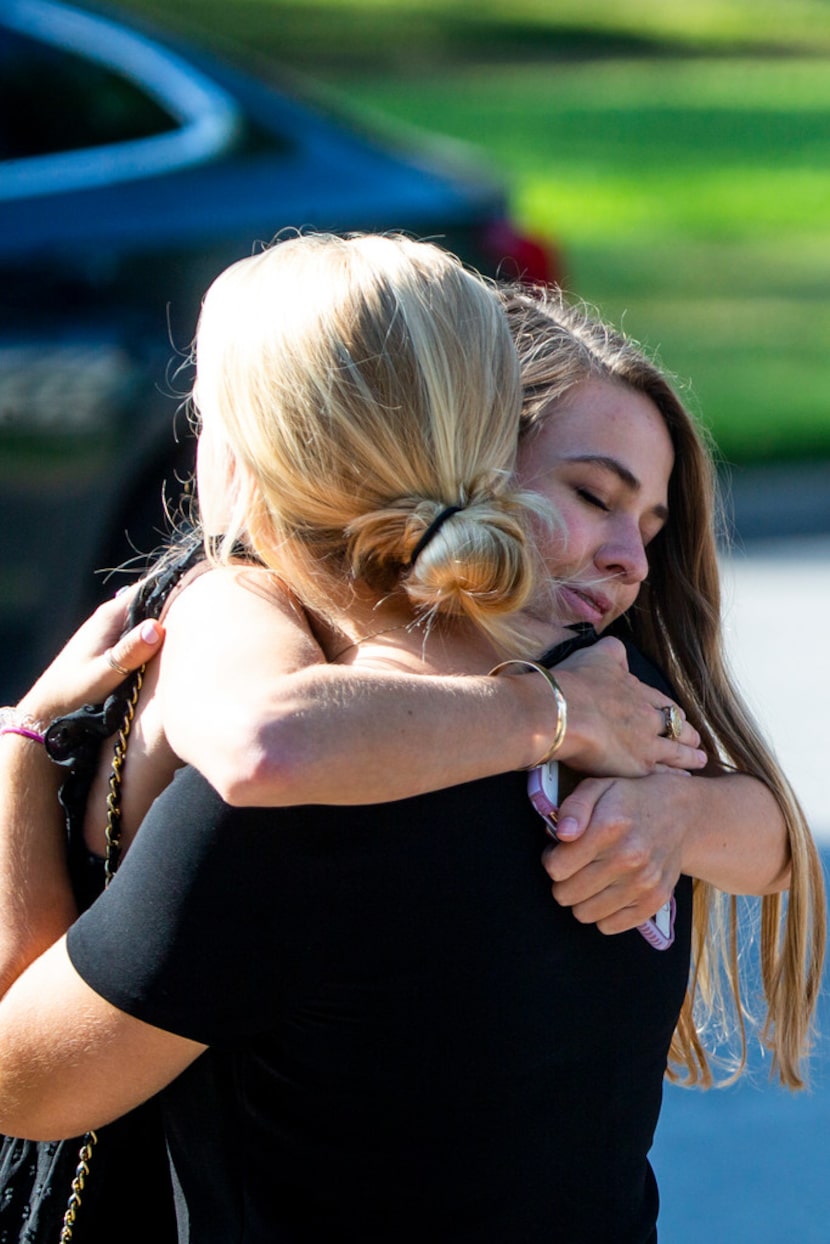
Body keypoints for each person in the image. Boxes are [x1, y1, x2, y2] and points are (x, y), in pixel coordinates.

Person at [0, 236, 821, 1242]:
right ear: (485, 449)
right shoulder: (614, 693)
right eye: (593, 496)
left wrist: (23, 743)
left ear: (239, 448)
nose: (626, 558)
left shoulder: (296, 786)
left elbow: (22, 1086)